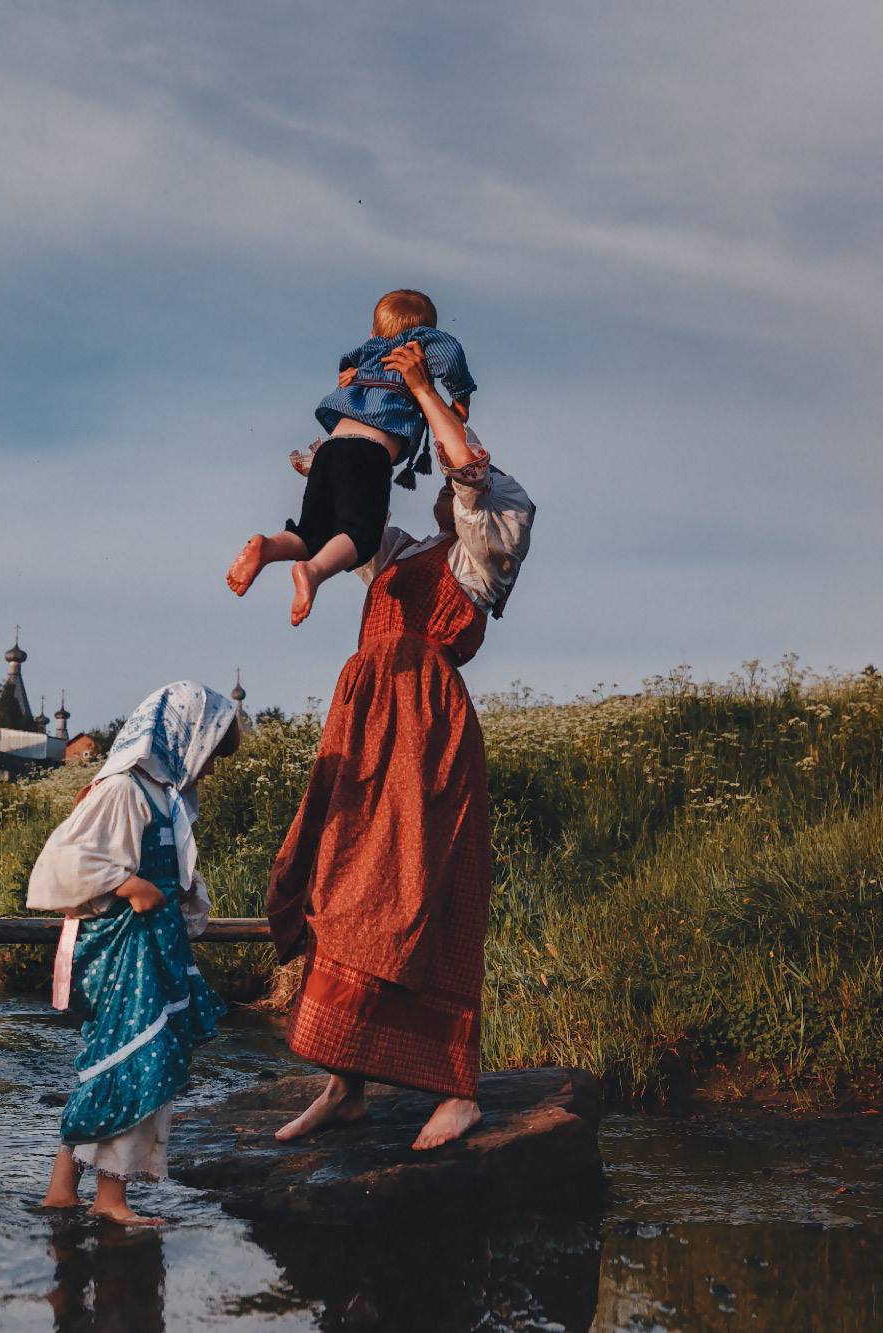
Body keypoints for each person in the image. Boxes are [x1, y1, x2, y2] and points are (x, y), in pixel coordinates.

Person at [264, 341, 535, 1150]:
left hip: (425, 731)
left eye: (466, 483)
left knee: (422, 894)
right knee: (345, 884)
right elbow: (352, 513)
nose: (453, 484)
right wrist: (352, 421)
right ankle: (345, 1084)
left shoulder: (484, 553)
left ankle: (456, 1091)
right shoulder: (404, 551)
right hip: (367, 724)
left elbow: (466, 467)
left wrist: (420, 386)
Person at [29, 682, 243, 1225]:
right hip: (125, 948)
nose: (209, 768)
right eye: (209, 752)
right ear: (183, 736)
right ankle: (110, 1200)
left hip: (152, 946)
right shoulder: (123, 788)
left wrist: (181, 893)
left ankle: (62, 1190)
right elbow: (65, 859)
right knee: (135, 1059)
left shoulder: (160, 794)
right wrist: (129, 884)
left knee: (113, 1061)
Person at [226, 288, 477, 627]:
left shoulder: (370, 349)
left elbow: (346, 363)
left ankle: (269, 547)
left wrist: (353, 375)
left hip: (330, 449)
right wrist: (460, 397)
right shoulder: (420, 342)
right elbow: (450, 355)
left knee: (313, 532)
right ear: (425, 329)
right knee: (362, 534)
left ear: (374, 331)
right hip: (368, 452)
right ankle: (313, 572)